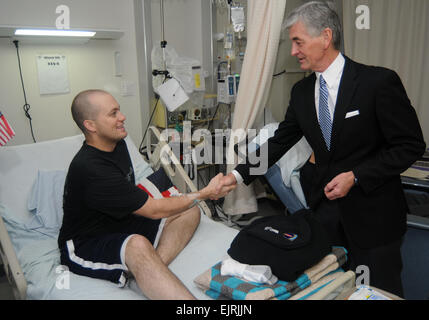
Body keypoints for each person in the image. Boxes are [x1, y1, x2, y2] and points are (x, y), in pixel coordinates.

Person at [219, 1, 426, 297]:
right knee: (331, 289)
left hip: (374, 217)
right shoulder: (302, 93)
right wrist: (237, 177)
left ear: (325, 37)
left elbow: (410, 145)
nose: (293, 51)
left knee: (378, 291)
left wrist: (356, 175)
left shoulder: (377, 83)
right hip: (326, 216)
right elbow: (280, 140)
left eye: (298, 42)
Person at [58, 89, 235, 300]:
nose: (122, 117)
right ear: (90, 125)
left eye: (119, 111)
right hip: (88, 242)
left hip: (121, 222)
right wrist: (205, 192)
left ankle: (149, 270)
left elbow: (135, 202)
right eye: (113, 113)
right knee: (138, 244)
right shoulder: (90, 168)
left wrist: (196, 199)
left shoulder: (118, 144)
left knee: (189, 211)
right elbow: (152, 210)